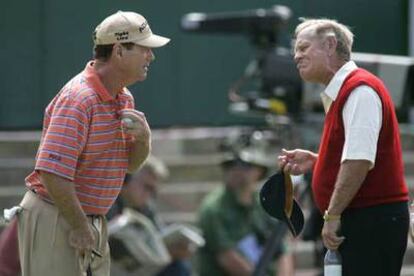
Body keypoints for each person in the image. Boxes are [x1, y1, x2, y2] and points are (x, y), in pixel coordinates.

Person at [16, 11, 170, 276]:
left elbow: (129, 166)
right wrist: (78, 225)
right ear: (119, 51)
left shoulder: (124, 98)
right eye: (144, 49)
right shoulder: (79, 98)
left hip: (87, 220)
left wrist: (144, 139)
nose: (151, 56)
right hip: (58, 215)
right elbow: (52, 173)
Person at [278, 19, 409, 276]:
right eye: (296, 49)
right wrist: (320, 161)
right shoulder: (348, 90)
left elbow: (359, 161)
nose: (296, 56)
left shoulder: (359, 90)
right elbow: (358, 155)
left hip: (368, 220)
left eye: (304, 48)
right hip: (365, 219)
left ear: (330, 45)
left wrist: (332, 215)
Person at [197, 149, 294, 276]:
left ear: (259, 171)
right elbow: (226, 258)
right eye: (231, 166)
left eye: (245, 166)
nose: (237, 171)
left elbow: (282, 250)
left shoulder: (265, 204)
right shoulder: (213, 208)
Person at [107, 155, 195, 276]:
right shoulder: (107, 204)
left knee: (179, 266)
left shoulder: (146, 209)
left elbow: (160, 236)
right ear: (126, 179)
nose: (149, 195)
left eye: (153, 190)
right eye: (147, 187)